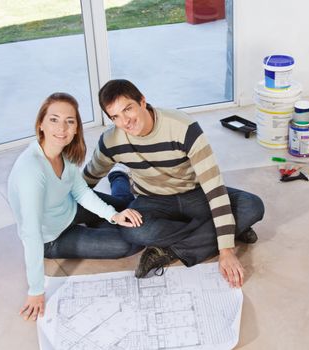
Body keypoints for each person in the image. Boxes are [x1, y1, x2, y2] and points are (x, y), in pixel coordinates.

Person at [83, 79, 265, 288]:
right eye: (115, 116)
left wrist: (226, 250)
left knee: (252, 206)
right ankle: (227, 229)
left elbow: (214, 189)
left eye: (128, 109)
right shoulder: (111, 141)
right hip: (152, 199)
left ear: (142, 101)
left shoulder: (183, 127)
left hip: (195, 194)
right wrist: (62, 203)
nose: (125, 121)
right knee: (134, 231)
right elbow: (88, 178)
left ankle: (169, 251)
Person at [7, 92, 143, 322]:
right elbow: (31, 234)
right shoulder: (31, 172)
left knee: (127, 208)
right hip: (52, 237)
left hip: (69, 209)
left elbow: (80, 192)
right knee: (126, 243)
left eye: (69, 121)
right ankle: (118, 185)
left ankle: (118, 177)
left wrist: (114, 216)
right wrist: (36, 290)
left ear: (76, 128)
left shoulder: (63, 153)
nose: (62, 128)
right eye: (54, 119)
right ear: (40, 124)